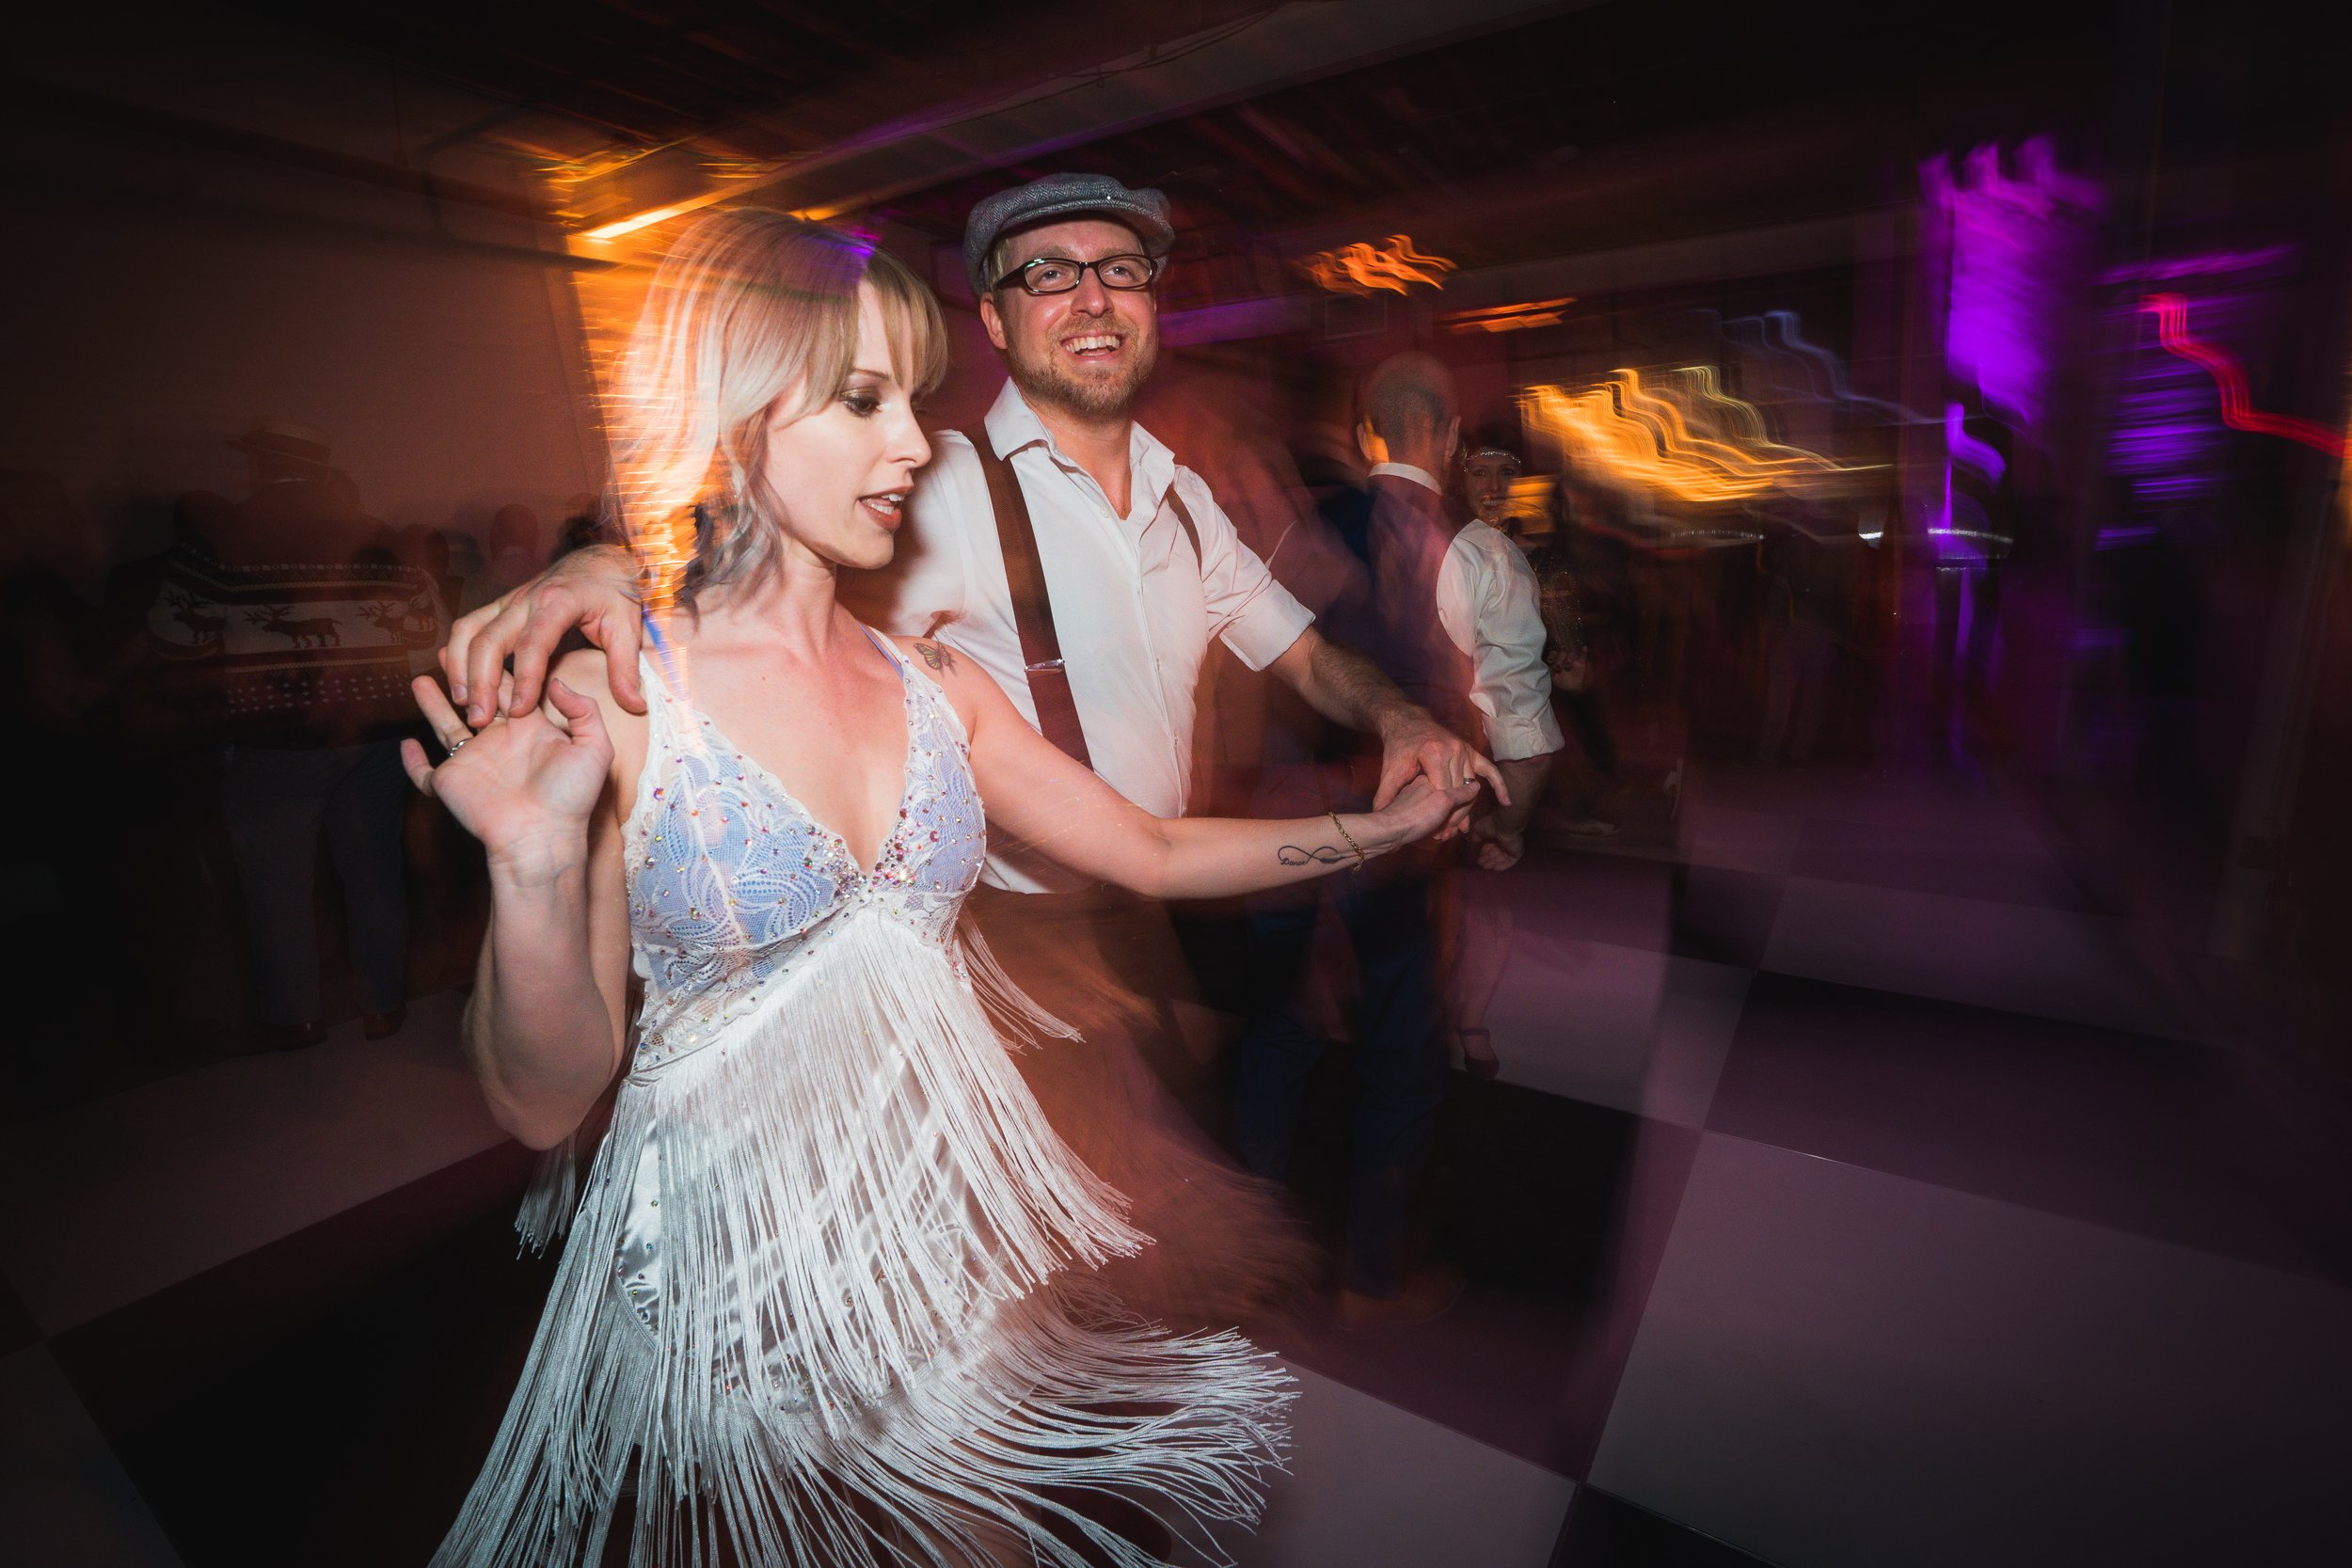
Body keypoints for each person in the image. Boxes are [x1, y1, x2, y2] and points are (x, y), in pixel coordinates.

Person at [407, 209, 1475, 1568]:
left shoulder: (935, 681)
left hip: (944, 1227)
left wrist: (1380, 831)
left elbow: (1152, 850)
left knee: (987, 1542)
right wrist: (533, 864)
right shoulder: (621, 693)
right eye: (863, 401)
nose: (913, 443)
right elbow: (544, 1100)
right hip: (744, 1281)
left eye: (912, 401)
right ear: (739, 410)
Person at [1229, 356, 1555, 1327]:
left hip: (1284, 826)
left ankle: (1241, 1266)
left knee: (1276, 1031)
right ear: (1447, 437)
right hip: (1399, 831)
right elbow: (1526, 728)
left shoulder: (1290, 531)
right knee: (1401, 1046)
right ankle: (1371, 1276)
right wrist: (1504, 827)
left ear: (1368, 430)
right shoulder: (1482, 554)